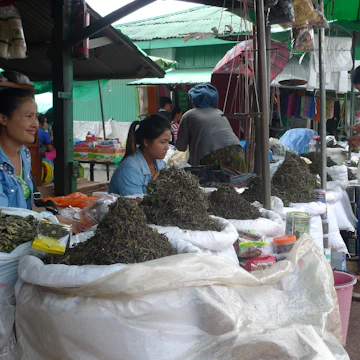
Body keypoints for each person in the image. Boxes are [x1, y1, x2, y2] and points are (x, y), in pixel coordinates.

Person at [0, 88, 79, 232]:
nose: (35, 124)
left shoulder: (24, 154)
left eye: (35, 117)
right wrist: (51, 220)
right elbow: (4, 220)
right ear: (3, 118)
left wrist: (54, 215)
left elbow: (28, 207)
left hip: (23, 240)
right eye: (28, 116)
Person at [176, 84, 246, 172]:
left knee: (213, 184)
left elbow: (181, 147)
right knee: (240, 182)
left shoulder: (188, 115)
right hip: (236, 150)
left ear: (193, 100)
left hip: (210, 154)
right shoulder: (219, 112)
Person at [109, 114, 171, 196]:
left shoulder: (160, 164)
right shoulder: (130, 169)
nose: (167, 147)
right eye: (163, 142)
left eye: (168, 142)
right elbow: (136, 205)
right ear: (146, 142)